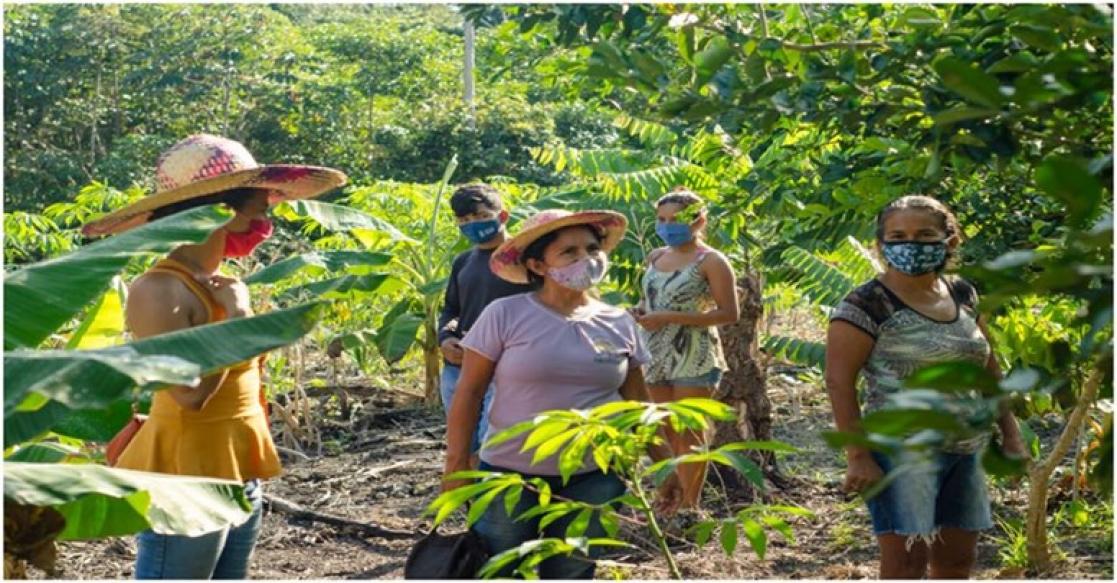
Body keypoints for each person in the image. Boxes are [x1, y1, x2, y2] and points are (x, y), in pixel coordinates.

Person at [81, 134, 346, 579]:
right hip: (188, 474)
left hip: (239, 467)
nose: (266, 219)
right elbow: (189, 397)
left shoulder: (219, 280)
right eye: (259, 208)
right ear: (220, 212)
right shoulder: (159, 289)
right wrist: (238, 320)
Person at [441, 209, 681, 579]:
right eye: (568, 252)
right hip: (509, 474)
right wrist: (456, 465)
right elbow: (469, 393)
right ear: (538, 264)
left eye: (591, 248)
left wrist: (665, 465)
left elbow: (638, 404)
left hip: (594, 475)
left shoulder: (618, 322)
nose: (586, 259)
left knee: (571, 570)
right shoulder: (504, 314)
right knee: (497, 567)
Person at [824, 195, 1028, 579]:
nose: (910, 244)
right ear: (882, 245)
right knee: (906, 563)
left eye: (924, 235)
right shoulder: (867, 305)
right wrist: (858, 455)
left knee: (957, 562)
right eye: (898, 235)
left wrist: (1011, 435)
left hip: (966, 450)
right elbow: (839, 383)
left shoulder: (962, 294)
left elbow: (987, 368)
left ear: (948, 241)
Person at [635, 189, 739, 512]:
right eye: (662, 219)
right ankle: (669, 499)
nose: (668, 226)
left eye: (676, 219)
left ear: (699, 220)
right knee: (664, 429)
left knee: (689, 431)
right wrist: (639, 312)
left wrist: (668, 318)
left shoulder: (711, 261)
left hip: (693, 352)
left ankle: (689, 509)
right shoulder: (655, 257)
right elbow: (650, 299)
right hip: (655, 351)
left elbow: (728, 314)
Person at [437, 184, 533, 463]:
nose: (472, 225)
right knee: (463, 441)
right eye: (464, 220)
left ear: (502, 216)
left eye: (480, 216)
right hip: (459, 367)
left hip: (506, 368)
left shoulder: (526, 259)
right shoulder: (463, 262)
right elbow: (453, 309)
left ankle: (488, 501)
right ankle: (472, 503)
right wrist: (446, 337)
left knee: (491, 444)